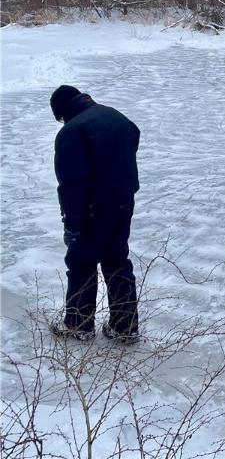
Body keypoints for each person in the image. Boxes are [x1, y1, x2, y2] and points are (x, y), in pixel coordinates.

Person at [49, 85, 140, 344]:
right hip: (124, 202)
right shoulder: (117, 117)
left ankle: (78, 325)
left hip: (93, 208)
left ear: (64, 111)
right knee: (117, 261)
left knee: (81, 263)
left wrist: (72, 224)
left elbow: (71, 184)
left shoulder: (73, 131)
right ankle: (125, 328)